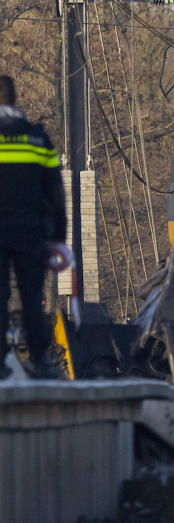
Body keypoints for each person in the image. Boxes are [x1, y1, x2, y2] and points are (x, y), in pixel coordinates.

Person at [0, 76, 68, 379]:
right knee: (31, 296)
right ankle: (40, 360)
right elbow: (55, 190)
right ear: (14, 100)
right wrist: (59, 237)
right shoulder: (38, 139)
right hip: (31, 232)